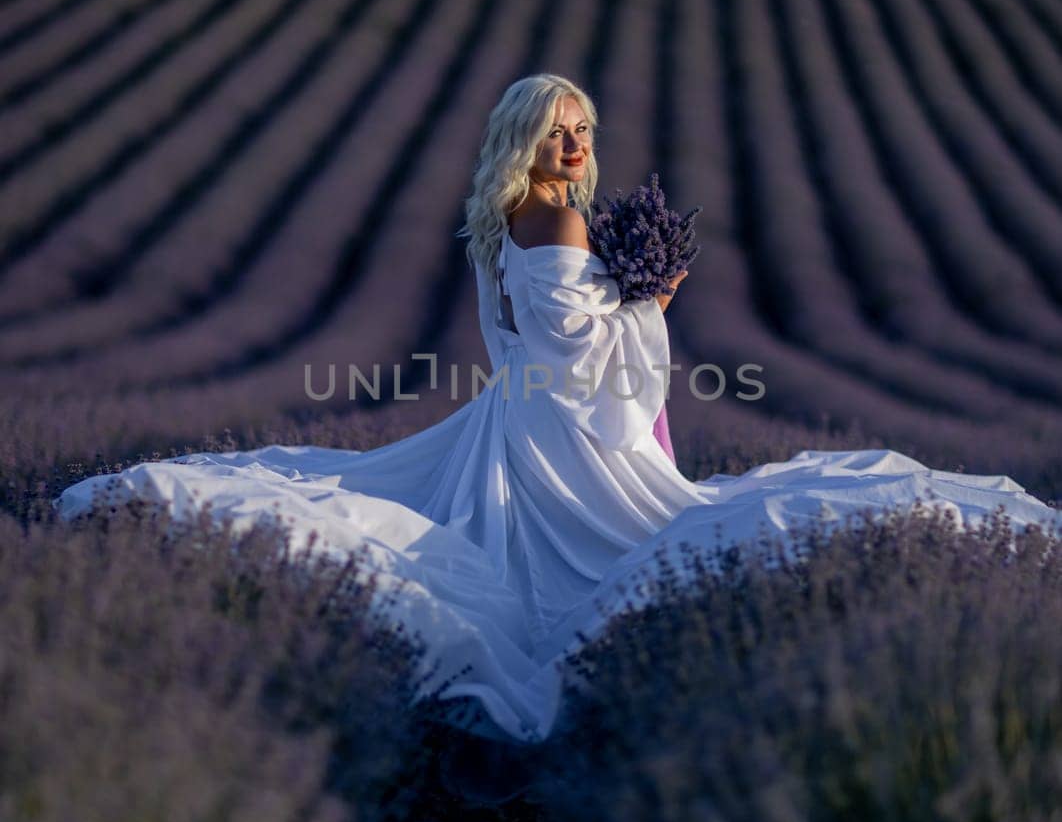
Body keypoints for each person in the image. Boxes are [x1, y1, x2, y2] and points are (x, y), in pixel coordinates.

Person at [54, 73, 1062, 764]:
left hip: (522, 421)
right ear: (526, 138)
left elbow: (537, 335)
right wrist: (653, 299)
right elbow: (578, 349)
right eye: (558, 129)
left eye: (583, 128)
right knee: (632, 546)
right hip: (559, 434)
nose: (575, 143)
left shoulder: (504, 215)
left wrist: (625, 300)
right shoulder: (559, 215)